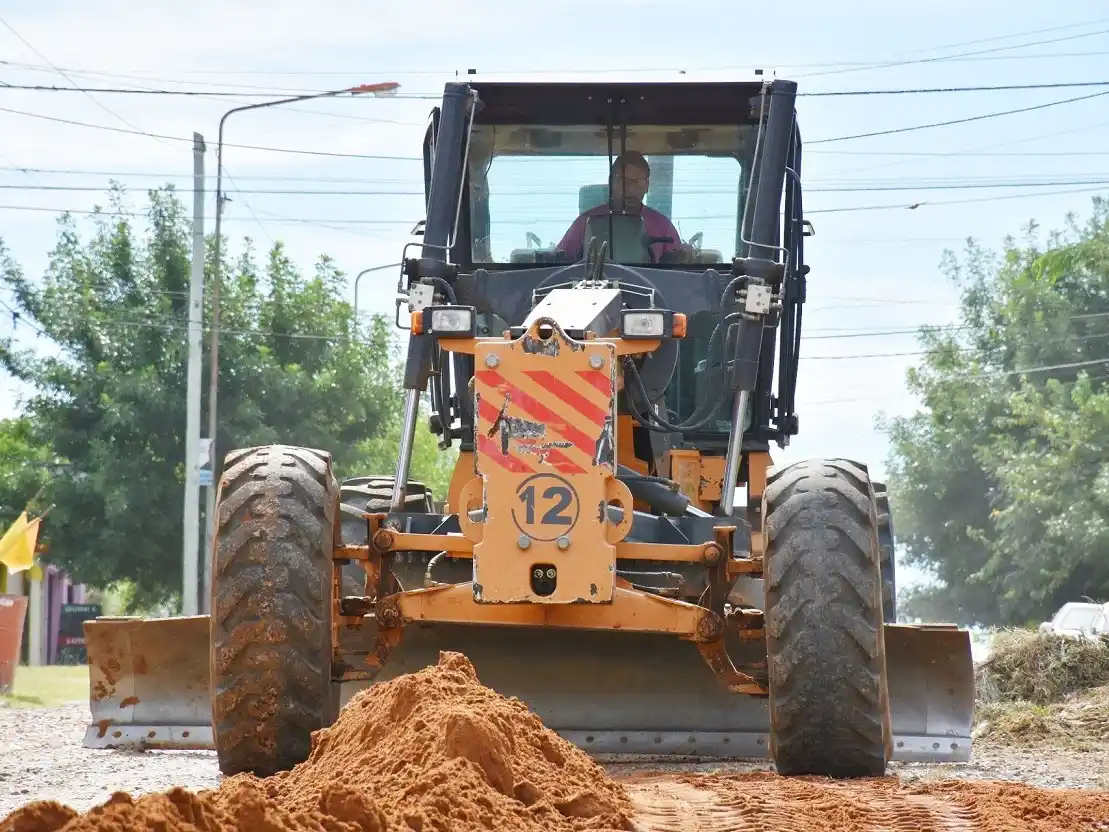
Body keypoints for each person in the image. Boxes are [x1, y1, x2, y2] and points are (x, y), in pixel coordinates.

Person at [556, 151, 686, 263]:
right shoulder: (585, 222)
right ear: (611, 181)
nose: (630, 188)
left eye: (638, 182)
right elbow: (559, 259)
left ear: (647, 186)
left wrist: (684, 257)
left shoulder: (663, 227)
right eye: (624, 180)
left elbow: (677, 273)